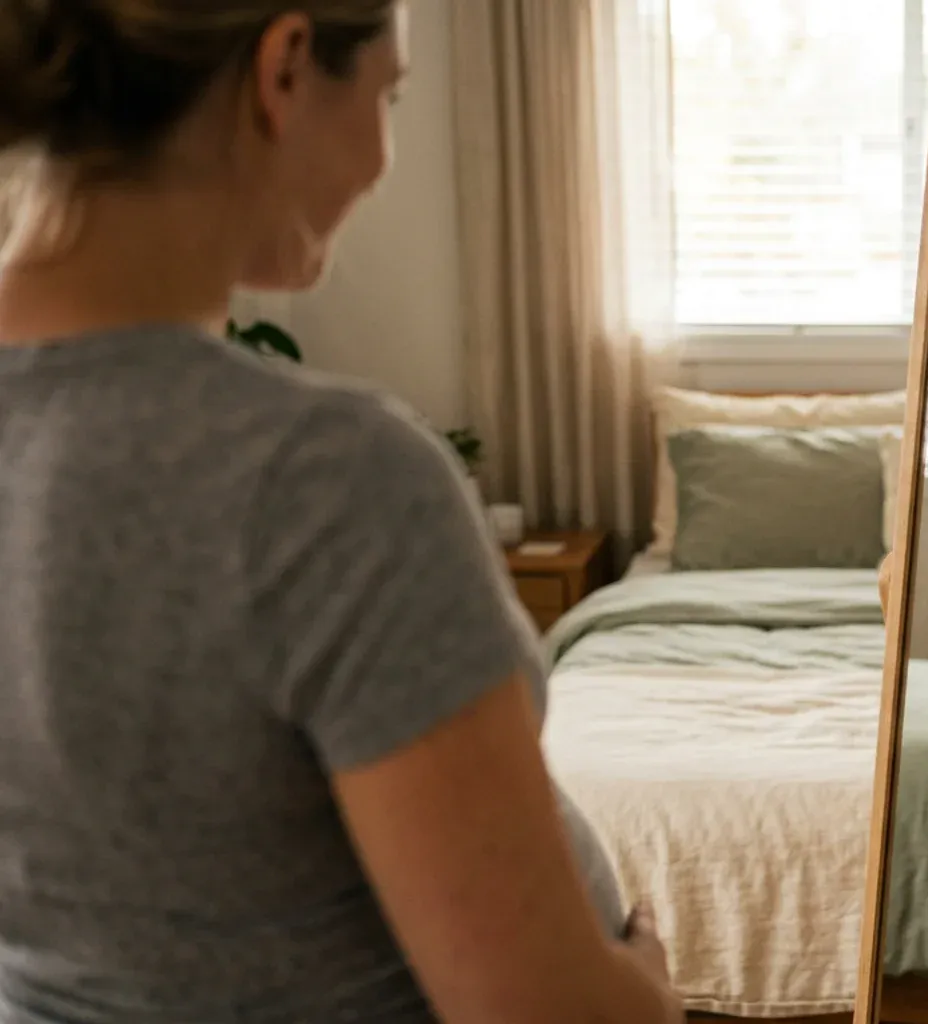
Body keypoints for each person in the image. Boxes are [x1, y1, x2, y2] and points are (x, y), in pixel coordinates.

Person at [0, 4, 682, 1022]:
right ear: (283, 70)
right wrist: (648, 989)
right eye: (388, 95)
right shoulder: (319, 479)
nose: (381, 156)